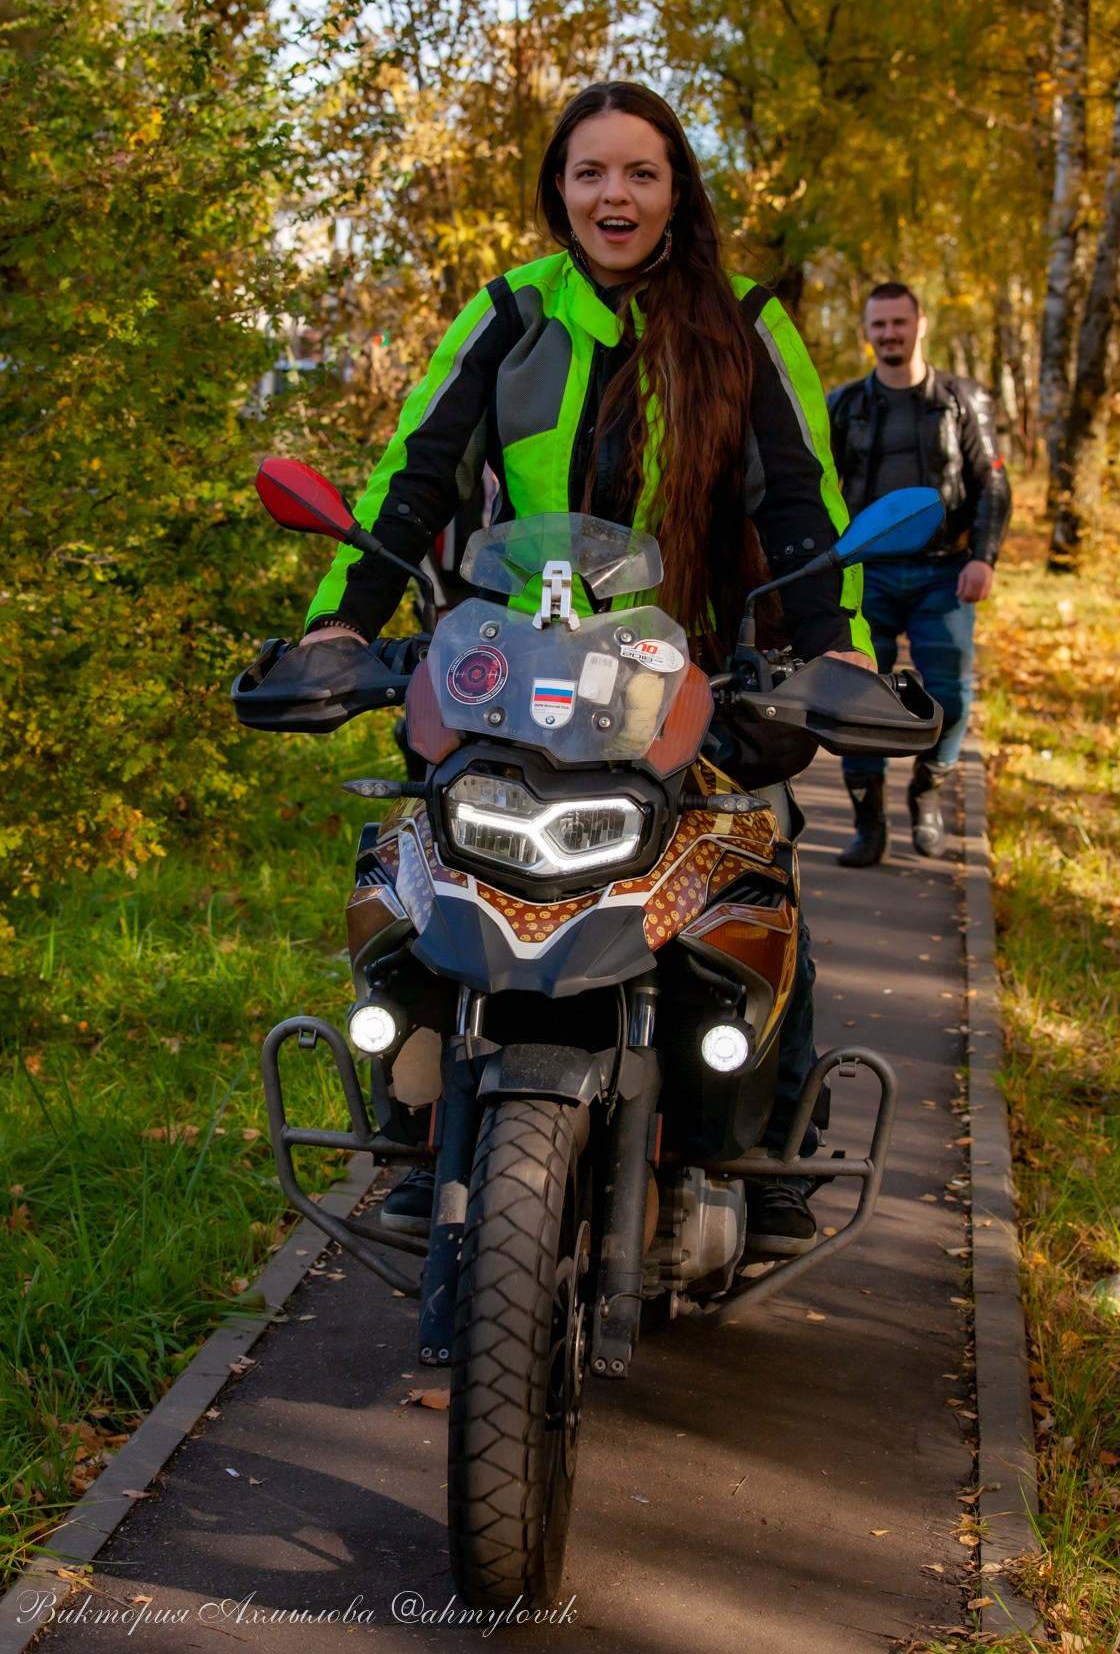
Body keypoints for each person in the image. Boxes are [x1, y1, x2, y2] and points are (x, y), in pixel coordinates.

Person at [300, 81, 875, 1254]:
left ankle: (761, 1160)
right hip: (515, 670)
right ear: (557, 189)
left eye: (639, 173)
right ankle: (426, 1129)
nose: (613, 194)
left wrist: (833, 651)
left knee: (752, 887)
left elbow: (806, 505)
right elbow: (415, 481)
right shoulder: (509, 313)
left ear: (676, 193)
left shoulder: (745, 321)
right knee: (429, 877)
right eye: (589, 172)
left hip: (691, 679)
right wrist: (343, 627)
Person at [827, 283, 1012, 865]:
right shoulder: (843, 405)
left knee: (951, 698)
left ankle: (927, 794)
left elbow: (994, 485)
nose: (890, 334)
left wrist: (984, 556)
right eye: (879, 324)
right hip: (866, 573)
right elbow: (815, 486)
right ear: (867, 332)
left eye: (899, 323)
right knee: (856, 699)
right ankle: (869, 821)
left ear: (920, 325)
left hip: (945, 572)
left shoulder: (963, 400)